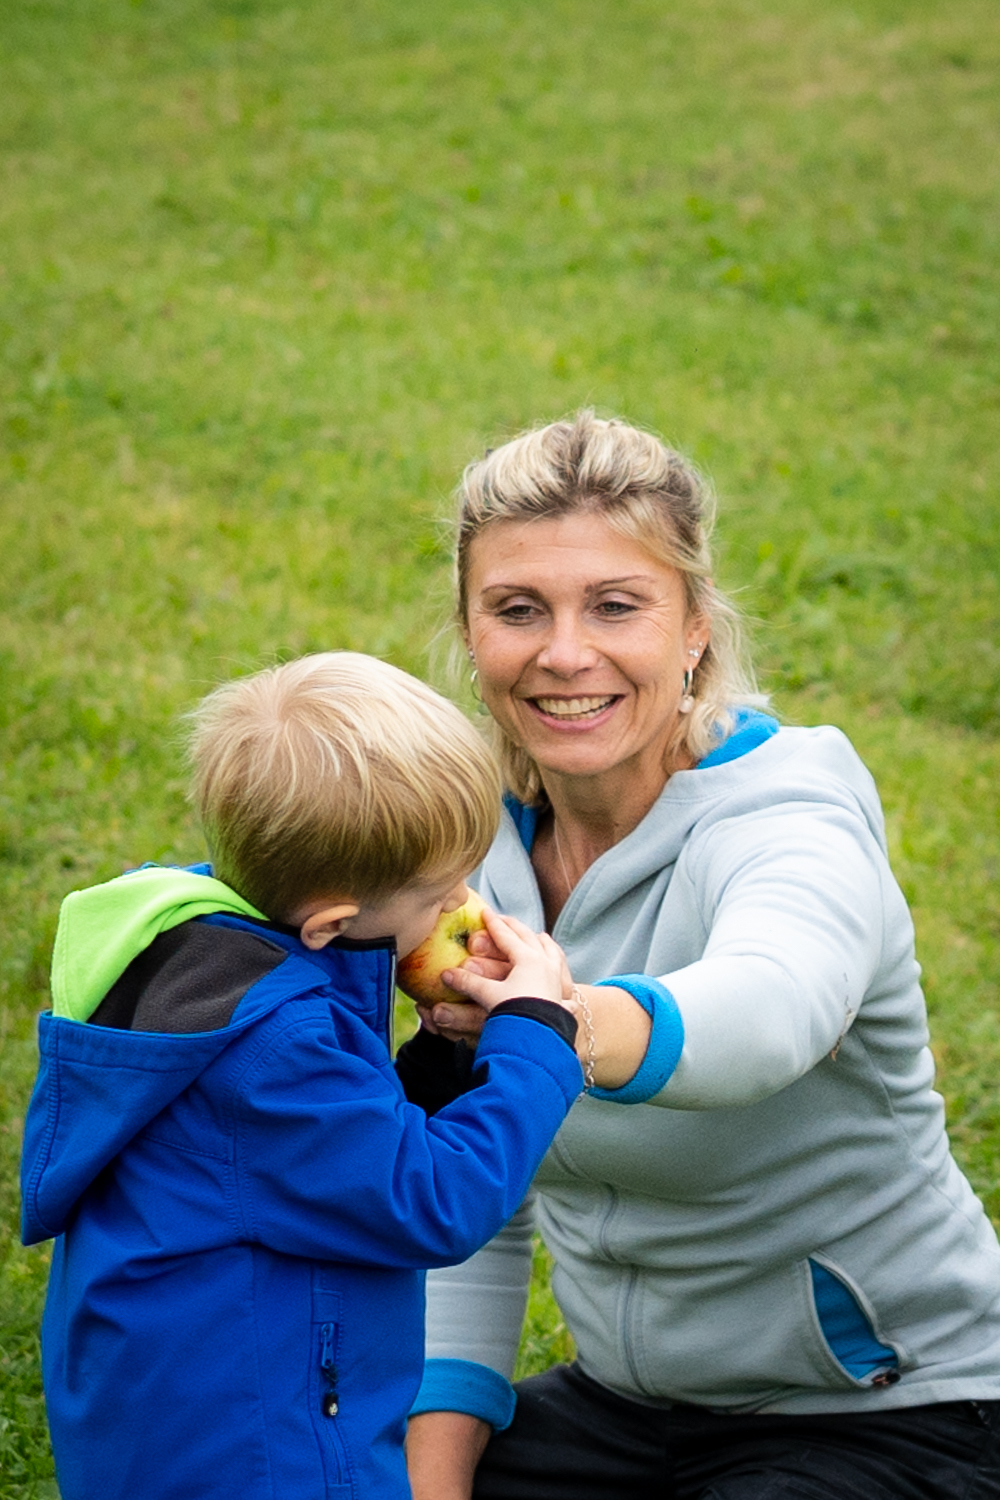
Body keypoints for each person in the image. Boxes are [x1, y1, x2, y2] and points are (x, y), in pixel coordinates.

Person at [404, 413, 1000, 1500]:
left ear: (694, 632)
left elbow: (766, 1011)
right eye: (518, 610)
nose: (565, 653)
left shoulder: (789, 814)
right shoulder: (463, 853)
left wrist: (551, 1024)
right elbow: (469, 1209)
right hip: (626, 1414)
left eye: (617, 607)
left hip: (894, 1411)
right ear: (470, 628)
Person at [19, 651, 595, 1500]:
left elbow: (346, 1147)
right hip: (258, 1442)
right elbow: (431, 1201)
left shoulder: (220, 964)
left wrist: (445, 1053)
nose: (460, 905)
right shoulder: (270, 1048)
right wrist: (538, 1034)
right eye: (439, 895)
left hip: (179, 1415)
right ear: (332, 922)